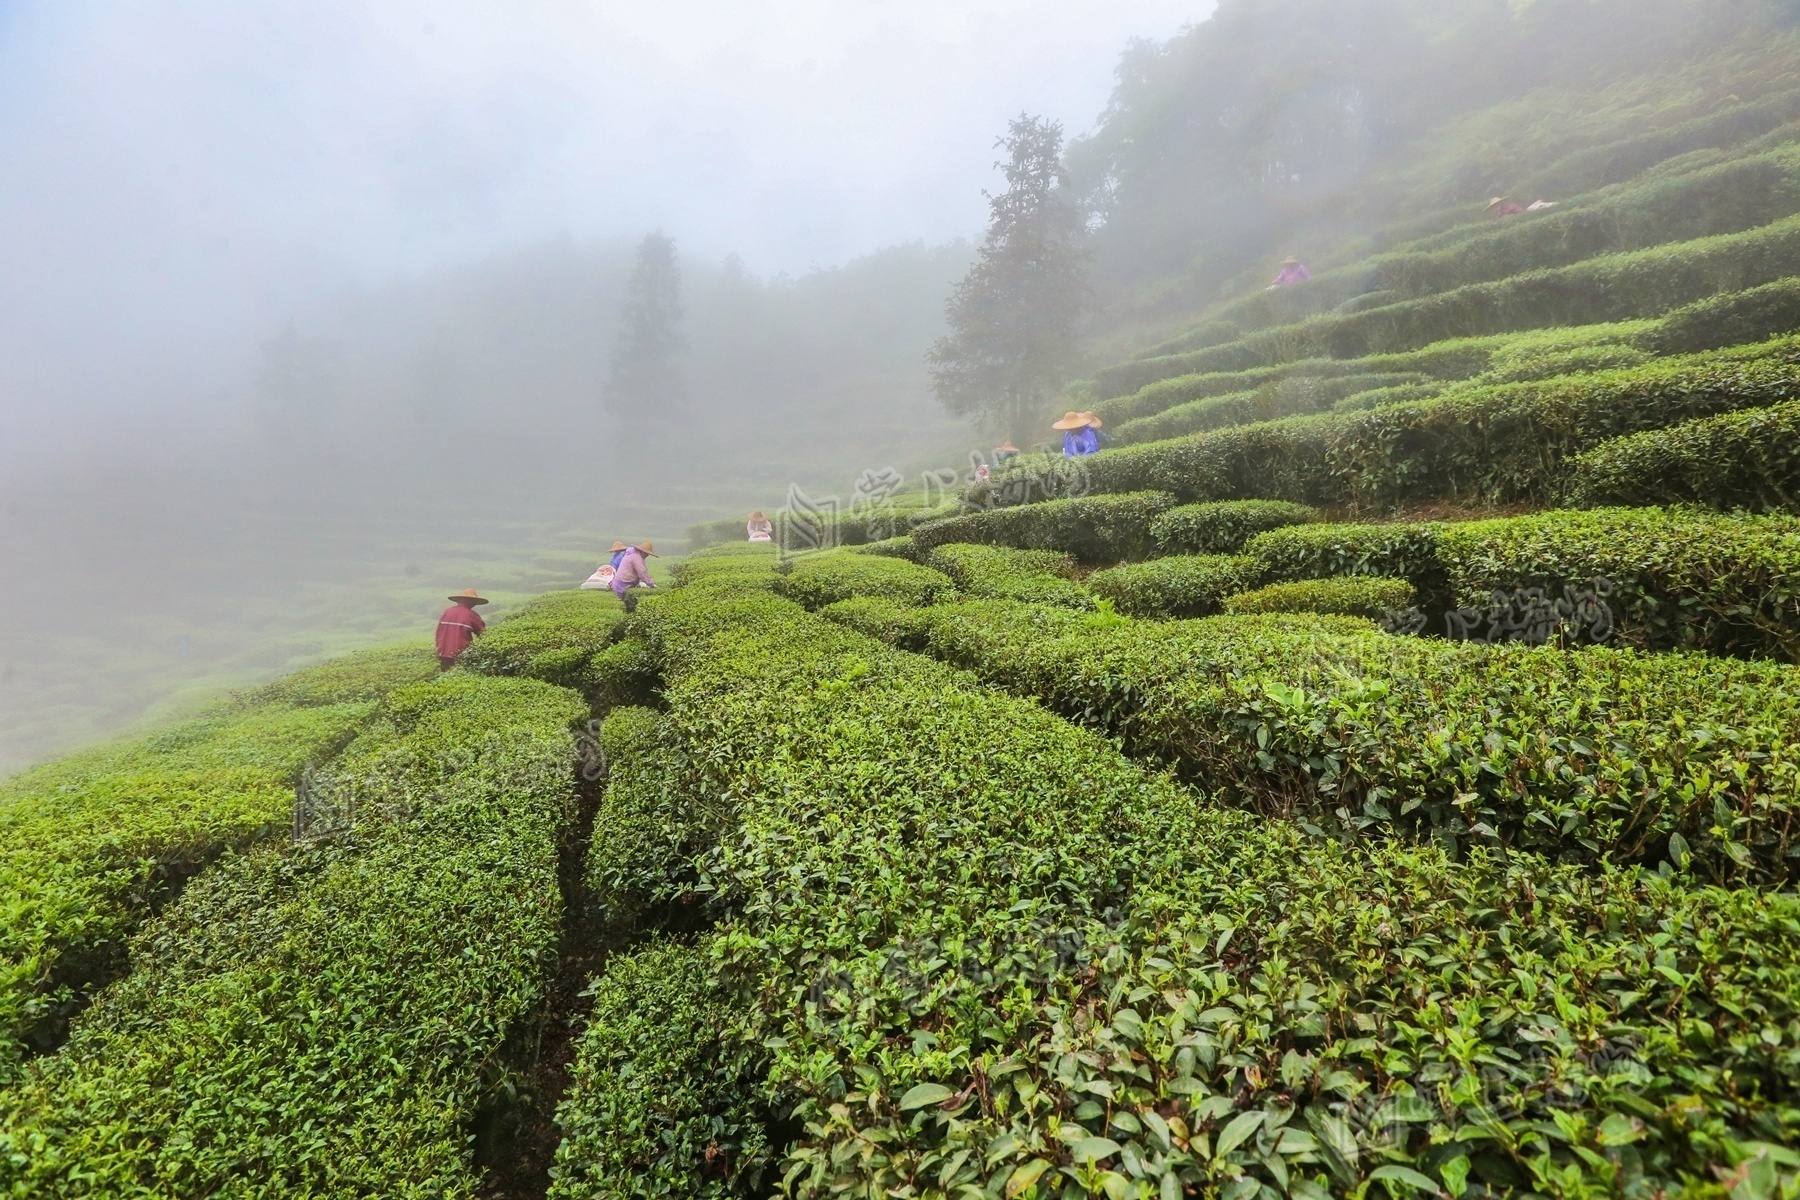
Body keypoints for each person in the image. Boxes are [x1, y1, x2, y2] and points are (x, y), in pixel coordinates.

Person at [435, 589, 488, 670]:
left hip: (443, 652)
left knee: (445, 676)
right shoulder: (472, 615)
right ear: (471, 601)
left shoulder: (448, 612)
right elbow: (484, 635)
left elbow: (438, 632)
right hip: (461, 654)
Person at [612, 541, 657, 613]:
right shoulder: (637, 557)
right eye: (647, 554)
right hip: (624, 583)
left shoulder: (632, 554)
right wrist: (651, 584)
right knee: (629, 605)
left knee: (629, 604)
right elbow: (642, 572)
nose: (647, 556)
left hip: (620, 582)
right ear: (643, 552)